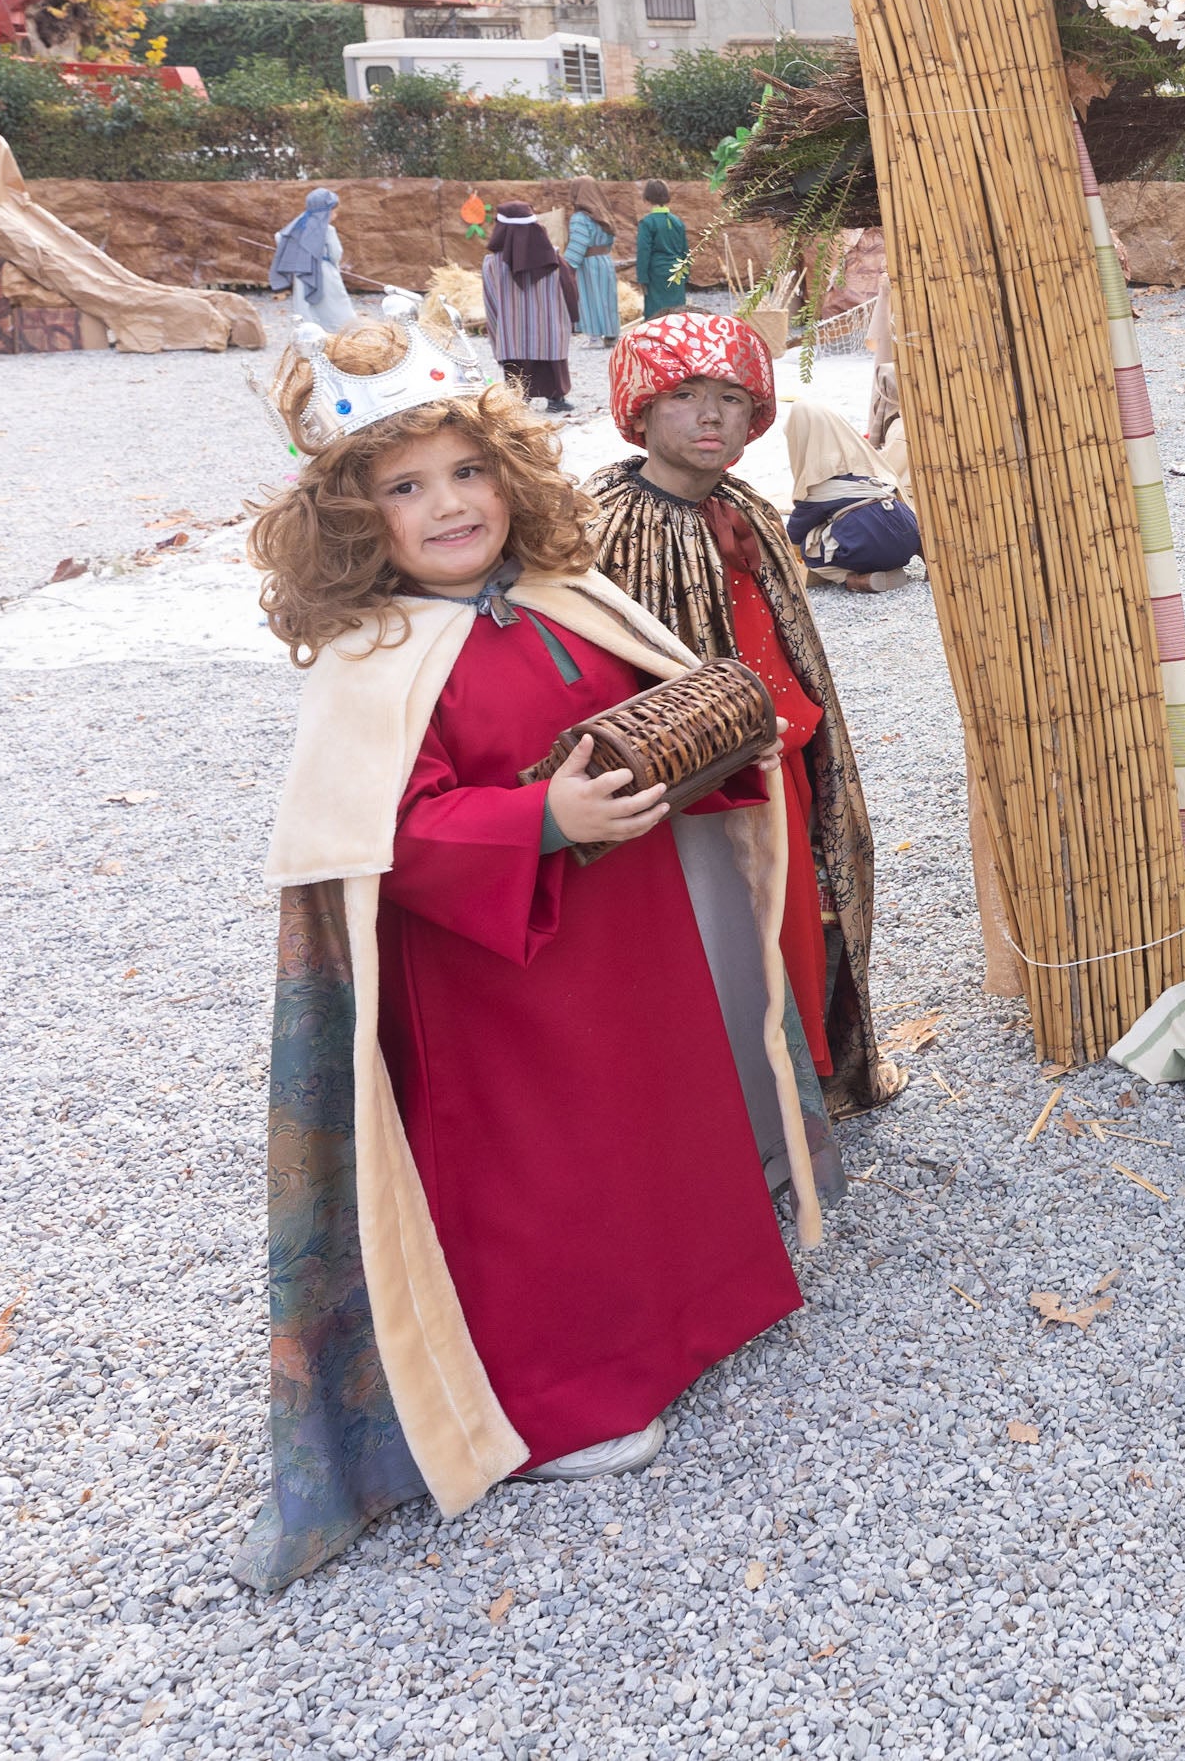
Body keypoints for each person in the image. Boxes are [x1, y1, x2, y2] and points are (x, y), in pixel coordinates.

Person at [238, 310, 826, 1588]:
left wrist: (703, 745)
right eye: (405, 487)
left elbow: (643, 709)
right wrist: (536, 820)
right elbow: (380, 836)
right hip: (501, 986)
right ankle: (554, 1394)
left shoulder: (561, 596)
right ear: (352, 517)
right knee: (547, 1169)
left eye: (467, 471)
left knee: (645, 1129)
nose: (450, 505)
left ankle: (694, 1308)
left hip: (627, 946)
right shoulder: (374, 658)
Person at [588, 312, 894, 1110]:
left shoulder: (749, 506)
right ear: (641, 407)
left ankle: (806, 1079)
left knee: (799, 918)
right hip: (694, 785)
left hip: (783, 753)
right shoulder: (612, 525)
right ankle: (729, 1099)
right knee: (718, 930)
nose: (711, 414)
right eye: (685, 393)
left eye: (731, 396)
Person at [784, 396, 924, 590]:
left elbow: (794, 534)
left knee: (809, 546)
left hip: (871, 549)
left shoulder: (819, 484)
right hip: (907, 543)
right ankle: (892, 568)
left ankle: (856, 580)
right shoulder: (866, 466)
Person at [481, 205, 577, 414]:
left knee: (516, 360)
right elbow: (569, 289)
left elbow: (490, 301)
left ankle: (518, 398)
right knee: (549, 351)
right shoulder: (553, 258)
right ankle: (556, 397)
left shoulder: (492, 264)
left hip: (512, 332)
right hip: (549, 328)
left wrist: (497, 334)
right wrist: (571, 321)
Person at [267, 187, 350, 333]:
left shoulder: (297, 227)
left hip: (302, 271)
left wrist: (296, 253)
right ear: (326, 212)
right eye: (334, 211)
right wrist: (334, 265)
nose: (336, 215)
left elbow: (280, 237)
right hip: (325, 271)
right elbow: (336, 253)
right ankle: (340, 329)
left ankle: (308, 331)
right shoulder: (328, 230)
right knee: (334, 302)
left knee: (304, 302)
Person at [635, 179, 695, 323]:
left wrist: (642, 277)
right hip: (677, 271)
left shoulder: (647, 222)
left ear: (647, 198)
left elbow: (643, 252)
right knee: (678, 312)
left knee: (656, 314)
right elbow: (685, 250)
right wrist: (685, 273)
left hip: (656, 274)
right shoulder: (677, 221)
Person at [566, 201, 622, 343]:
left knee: (590, 299)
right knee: (607, 299)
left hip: (588, 263)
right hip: (605, 260)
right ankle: (611, 334)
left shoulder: (580, 218)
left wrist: (566, 265)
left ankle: (594, 337)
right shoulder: (603, 214)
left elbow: (578, 243)